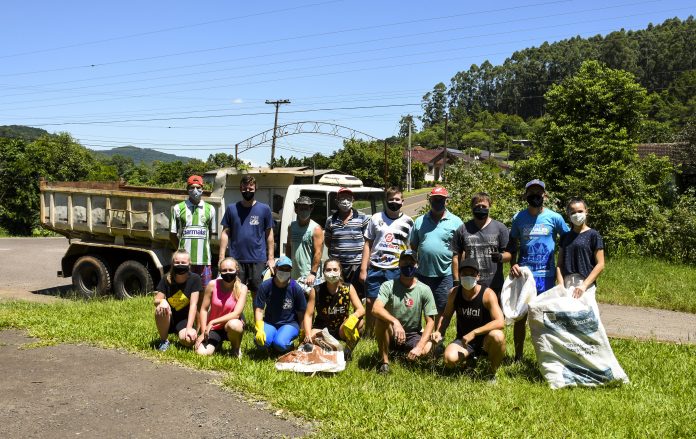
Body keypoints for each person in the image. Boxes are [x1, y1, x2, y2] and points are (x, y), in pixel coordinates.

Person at [504, 179, 570, 361]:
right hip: (524, 277)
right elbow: (512, 244)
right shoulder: (519, 218)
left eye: (538, 193)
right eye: (531, 193)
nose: (535, 196)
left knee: (546, 318)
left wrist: (562, 266)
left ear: (544, 196)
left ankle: (548, 356)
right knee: (520, 317)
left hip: (546, 276)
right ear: (526, 196)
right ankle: (518, 356)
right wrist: (512, 264)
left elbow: (567, 240)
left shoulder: (555, 218)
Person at [431, 258, 505, 379]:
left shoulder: (488, 294)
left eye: (472, 274)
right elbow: (446, 316)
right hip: (464, 341)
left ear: (478, 276)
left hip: (486, 340)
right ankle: (470, 360)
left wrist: (474, 333)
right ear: (459, 275)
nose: (468, 277)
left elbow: (500, 322)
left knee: (498, 335)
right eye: (464, 274)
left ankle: (491, 373)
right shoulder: (454, 293)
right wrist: (439, 332)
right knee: (449, 359)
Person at [372, 250, 438, 374]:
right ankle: (384, 363)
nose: (408, 265)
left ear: (417, 265)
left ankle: (405, 352)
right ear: (399, 264)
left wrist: (419, 347)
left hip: (412, 333)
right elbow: (376, 308)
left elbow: (430, 322)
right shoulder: (388, 286)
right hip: (392, 331)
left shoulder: (424, 289)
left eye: (411, 263)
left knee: (427, 349)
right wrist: (395, 322)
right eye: (405, 262)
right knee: (380, 320)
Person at [410, 186, 463, 330]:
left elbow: (460, 250)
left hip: (445, 274)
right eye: (435, 199)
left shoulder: (456, 222)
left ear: (446, 201)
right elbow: (413, 246)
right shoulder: (420, 221)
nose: (437, 202)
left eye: (441, 199)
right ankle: (423, 334)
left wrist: (458, 275)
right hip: (423, 273)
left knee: (442, 307)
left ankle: (437, 336)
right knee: (422, 306)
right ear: (430, 200)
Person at [219, 176, 275, 298]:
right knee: (235, 293)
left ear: (256, 188)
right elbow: (225, 233)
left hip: (258, 259)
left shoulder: (264, 209)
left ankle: (257, 312)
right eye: (244, 188)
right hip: (236, 259)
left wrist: (271, 258)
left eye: (250, 188)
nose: (247, 191)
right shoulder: (231, 209)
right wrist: (221, 257)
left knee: (258, 294)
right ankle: (237, 312)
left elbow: (269, 234)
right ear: (240, 189)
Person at [451, 192, 511, 300]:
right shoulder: (463, 229)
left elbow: (509, 255)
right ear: (471, 208)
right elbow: (456, 257)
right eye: (477, 206)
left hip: (494, 284)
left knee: (495, 311)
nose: (481, 208)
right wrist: (456, 281)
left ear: (489, 207)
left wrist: (500, 257)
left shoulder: (500, 228)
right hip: (470, 285)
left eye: (484, 206)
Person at [302, 258, 365, 359]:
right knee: (310, 343)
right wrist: (308, 333)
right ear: (323, 272)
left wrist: (353, 317)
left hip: (342, 328)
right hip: (321, 328)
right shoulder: (316, 290)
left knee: (360, 322)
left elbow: (361, 309)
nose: (332, 272)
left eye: (335, 269)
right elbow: (308, 315)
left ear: (340, 271)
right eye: (328, 270)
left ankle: (347, 352)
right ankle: (331, 351)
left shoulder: (348, 288)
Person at [253, 256, 307, 353]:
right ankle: (271, 342)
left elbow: (301, 313)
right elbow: (259, 310)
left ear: (291, 271)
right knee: (260, 342)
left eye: (287, 269)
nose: (284, 271)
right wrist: (259, 328)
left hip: (290, 323)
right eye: (281, 268)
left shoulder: (295, 286)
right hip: (270, 322)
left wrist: (302, 332)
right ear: (275, 269)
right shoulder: (266, 285)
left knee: (280, 344)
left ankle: (288, 346)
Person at [170, 175, 216, 287]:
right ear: (187, 189)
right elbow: (172, 234)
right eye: (192, 187)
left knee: (204, 290)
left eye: (198, 187)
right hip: (185, 261)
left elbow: (210, 234)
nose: (195, 190)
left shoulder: (210, 209)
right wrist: (181, 251)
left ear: (202, 189)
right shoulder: (178, 208)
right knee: (185, 288)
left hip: (204, 260)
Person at [195, 257, 247, 358]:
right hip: (214, 328)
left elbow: (236, 314)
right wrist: (203, 332)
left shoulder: (242, 288)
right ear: (220, 272)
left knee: (234, 325)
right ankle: (217, 344)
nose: (228, 273)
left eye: (231, 270)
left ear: (237, 270)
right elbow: (204, 309)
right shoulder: (212, 284)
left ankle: (235, 349)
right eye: (224, 270)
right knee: (201, 353)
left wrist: (212, 322)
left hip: (231, 325)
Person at [324, 187, 370, 297]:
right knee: (338, 294)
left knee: (357, 295)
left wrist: (364, 267)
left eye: (348, 198)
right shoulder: (330, 220)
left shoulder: (363, 218)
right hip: (337, 266)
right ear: (337, 201)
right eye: (342, 198)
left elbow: (368, 242)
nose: (345, 201)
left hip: (356, 265)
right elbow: (328, 241)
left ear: (353, 200)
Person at [556, 198, 605, 298]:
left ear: (586, 212)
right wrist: (561, 285)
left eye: (580, 211)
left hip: (585, 284)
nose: (577, 215)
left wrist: (584, 285)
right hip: (566, 283)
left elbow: (600, 264)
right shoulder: (565, 237)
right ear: (568, 215)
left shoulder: (593, 235)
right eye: (573, 212)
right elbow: (559, 265)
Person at [153, 250, 201, 352]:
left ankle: (182, 332)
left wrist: (189, 328)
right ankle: (164, 340)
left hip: (184, 320)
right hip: (168, 316)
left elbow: (193, 305)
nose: (180, 265)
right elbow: (156, 300)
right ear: (172, 264)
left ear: (189, 264)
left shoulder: (195, 279)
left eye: (183, 263)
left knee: (188, 340)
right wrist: (162, 302)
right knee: (159, 309)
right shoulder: (166, 278)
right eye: (177, 262)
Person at [285, 196, 323, 291]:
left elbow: (318, 252)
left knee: (309, 297)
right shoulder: (291, 226)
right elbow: (289, 247)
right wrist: (287, 267)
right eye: (301, 208)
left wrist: (313, 273)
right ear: (296, 210)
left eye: (306, 208)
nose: (303, 211)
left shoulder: (316, 229)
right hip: (293, 274)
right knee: (293, 294)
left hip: (309, 276)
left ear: (311, 209)